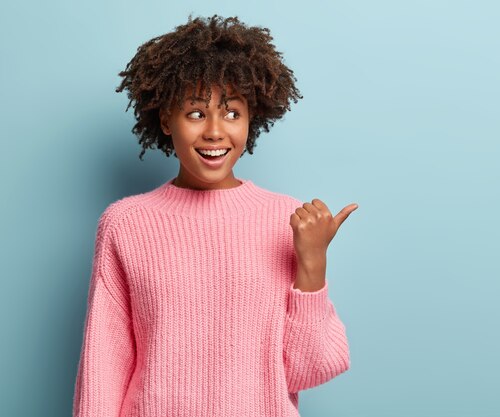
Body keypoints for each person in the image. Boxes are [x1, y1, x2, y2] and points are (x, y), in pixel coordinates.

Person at [72, 14, 358, 417]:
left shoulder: (286, 220)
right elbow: (103, 369)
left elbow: (311, 370)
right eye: (194, 113)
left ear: (250, 120)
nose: (214, 131)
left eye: (231, 113)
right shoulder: (126, 223)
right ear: (165, 121)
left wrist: (312, 265)